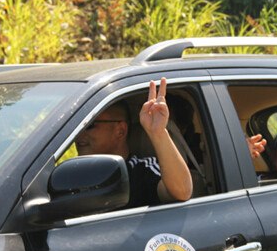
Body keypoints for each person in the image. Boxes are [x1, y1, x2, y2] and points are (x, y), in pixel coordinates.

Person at [75, 77, 193, 207]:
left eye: (89, 126)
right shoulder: (73, 173)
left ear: (120, 131)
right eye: (77, 127)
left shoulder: (143, 170)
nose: (79, 134)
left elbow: (182, 192)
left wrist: (158, 132)